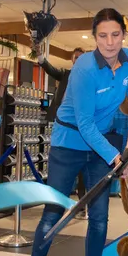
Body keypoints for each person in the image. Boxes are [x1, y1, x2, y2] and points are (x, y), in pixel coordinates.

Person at [21, 8, 128, 256]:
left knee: (100, 218)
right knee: (53, 213)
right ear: (94, 38)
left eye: (115, 34)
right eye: (102, 36)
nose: (110, 42)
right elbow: (85, 122)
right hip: (69, 144)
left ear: (124, 35)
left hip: (100, 145)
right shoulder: (84, 69)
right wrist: (116, 157)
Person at [38, 47, 88, 217]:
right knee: (60, 161)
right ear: (72, 59)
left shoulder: (90, 77)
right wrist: (41, 58)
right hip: (61, 124)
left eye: (81, 57)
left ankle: (82, 201)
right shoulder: (66, 74)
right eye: (76, 57)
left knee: (81, 163)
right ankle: (58, 202)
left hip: (81, 125)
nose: (78, 60)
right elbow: (51, 70)